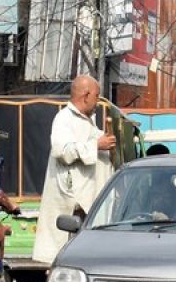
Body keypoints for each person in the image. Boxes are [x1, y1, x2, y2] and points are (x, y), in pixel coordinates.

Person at [32, 75, 117, 263]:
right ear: (86, 95)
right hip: (73, 205)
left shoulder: (88, 121)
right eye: (96, 96)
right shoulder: (64, 119)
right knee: (68, 256)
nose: (97, 101)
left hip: (92, 203)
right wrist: (96, 145)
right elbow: (62, 150)